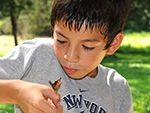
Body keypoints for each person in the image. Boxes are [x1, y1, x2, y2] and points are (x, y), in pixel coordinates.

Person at [0, 0, 133, 112]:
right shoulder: (36, 55)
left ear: (113, 44)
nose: (70, 57)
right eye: (61, 41)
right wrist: (17, 92)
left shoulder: (118, 88)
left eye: (87, 47)